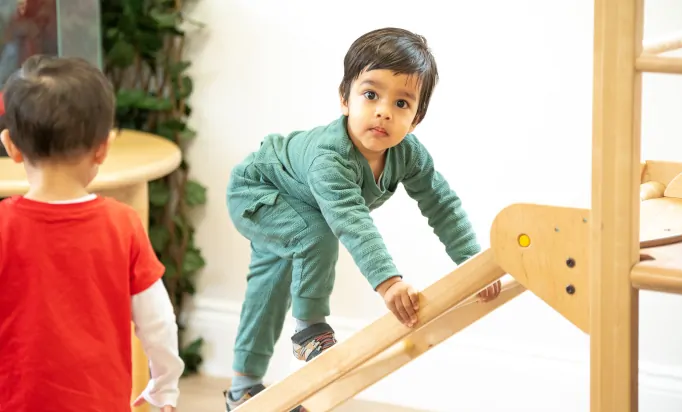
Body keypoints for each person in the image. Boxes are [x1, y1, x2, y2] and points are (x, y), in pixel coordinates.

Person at [224, 27, 502, 410]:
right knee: (316, 234)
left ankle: (243, 388)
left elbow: (441, 204)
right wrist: (389, 283)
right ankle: (308, 333)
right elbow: (350, 220)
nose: (384, 111)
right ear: (345, 99)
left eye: (402, 103)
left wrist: (473, 264)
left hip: (296, 204)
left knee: (269, 287)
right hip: (256, 190)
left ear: (416, 119)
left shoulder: (409, 154)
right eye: (371, 95)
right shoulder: (330, 158)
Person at [0, 55, 184, 412]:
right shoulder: (123, 225)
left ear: (11, 147)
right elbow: (159, 322)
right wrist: (165, 389)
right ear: (103, 148)